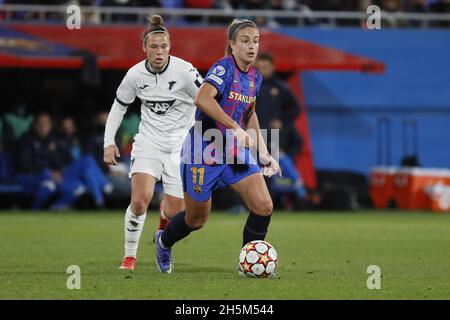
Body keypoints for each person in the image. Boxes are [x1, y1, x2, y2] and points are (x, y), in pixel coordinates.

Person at [153, 19, 281, 274]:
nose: (251, 46)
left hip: (233, 151)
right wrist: (235, 128)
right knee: (196, 219)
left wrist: (265, 153)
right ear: (232, 44)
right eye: (245, 41)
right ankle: (163, 241)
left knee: (263, 205)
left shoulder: (255, 77)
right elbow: (202, 99)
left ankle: (249, 264)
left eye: (255, 41)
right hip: (204, 149)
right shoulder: (223, 69)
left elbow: (249, 114)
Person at [103, 15, 202, 271]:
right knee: (139, 201)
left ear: (170, 47)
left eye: (164, 47)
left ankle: (162, 230)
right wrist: (108, 142)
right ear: (145, 48)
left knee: (177, 212)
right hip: (148, 142)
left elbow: (208, 100)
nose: (159, 52)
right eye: (154, 47)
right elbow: (119, 107)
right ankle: (129, 257)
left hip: (181, 147)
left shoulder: (185, 72)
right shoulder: (135, 74)